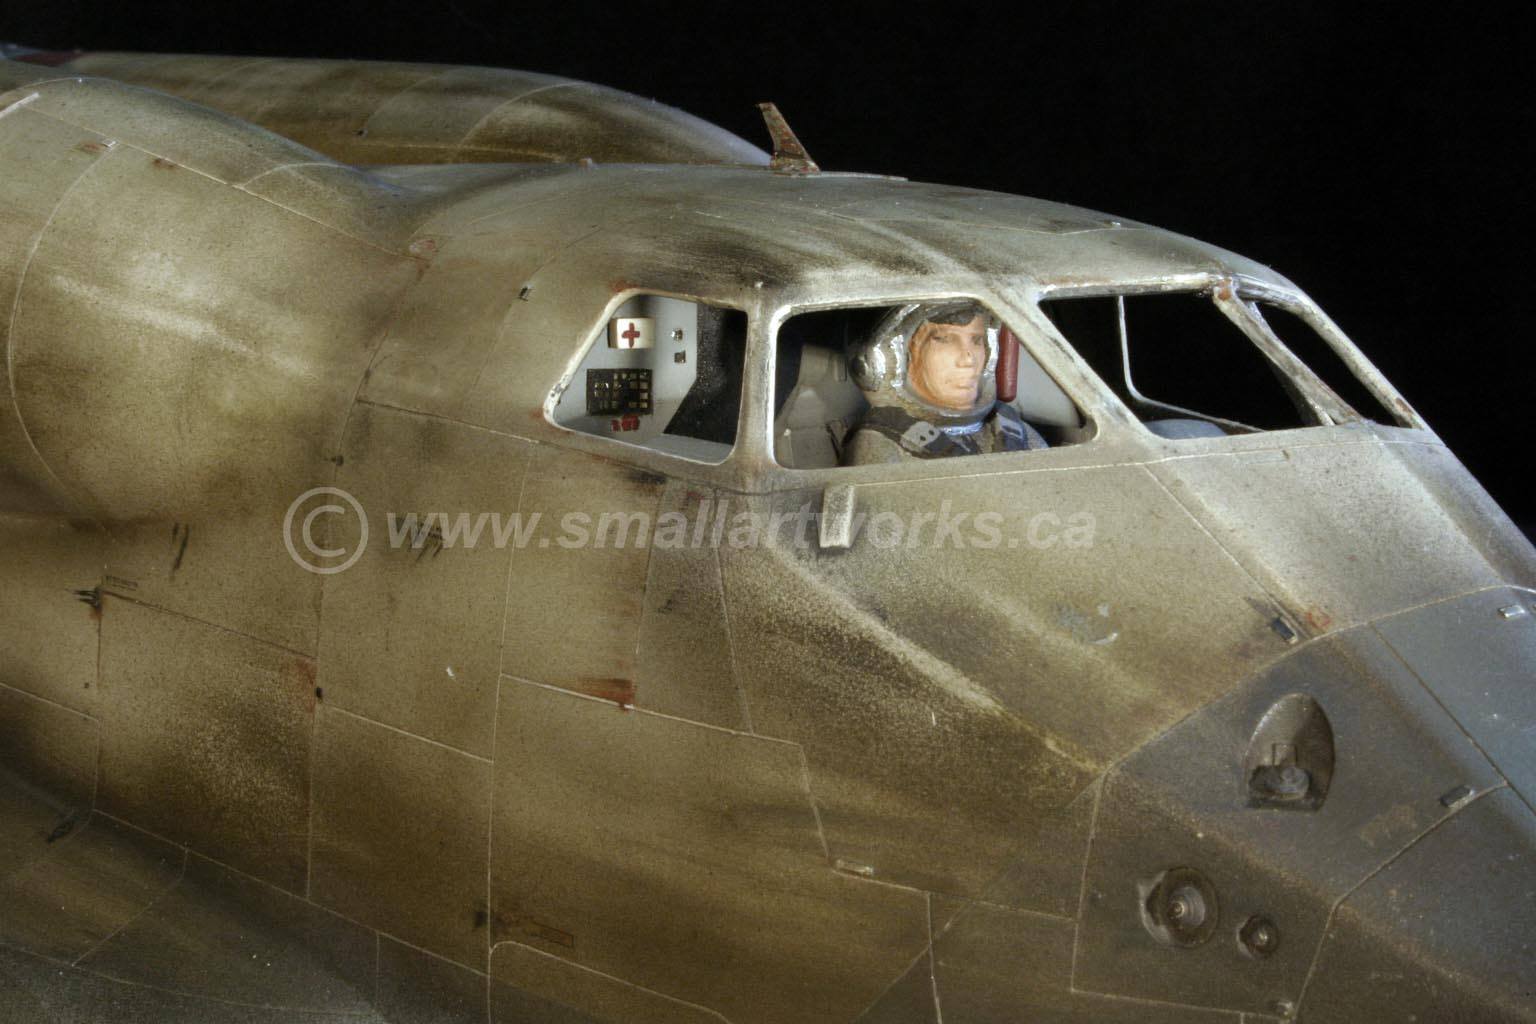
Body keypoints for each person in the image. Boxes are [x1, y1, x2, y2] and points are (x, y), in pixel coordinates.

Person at [841, 301, 1047, 464]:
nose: (968, 359)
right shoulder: (883, 445)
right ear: (893, 360)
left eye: (977, 340)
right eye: (944, 339)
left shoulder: (1011, 429)